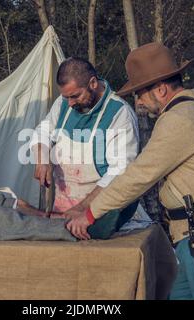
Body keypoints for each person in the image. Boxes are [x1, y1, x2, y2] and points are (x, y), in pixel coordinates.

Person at [66, 43, 194, 300]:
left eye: (140, 93)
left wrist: (90, 214)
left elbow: (138, 176)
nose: (138, 101)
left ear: (161, 89)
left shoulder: (180, 119)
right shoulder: (188, 112)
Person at [30, 57, 152, 240]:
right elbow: (42, 132)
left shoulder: (119, 114)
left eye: (75, 96)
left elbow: (120, 172)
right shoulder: (64, 104)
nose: (70, 103)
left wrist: (83, 208)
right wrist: (42, 158)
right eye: (66, 97)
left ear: (93, 83)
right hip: (63, 212)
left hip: (103, 216)